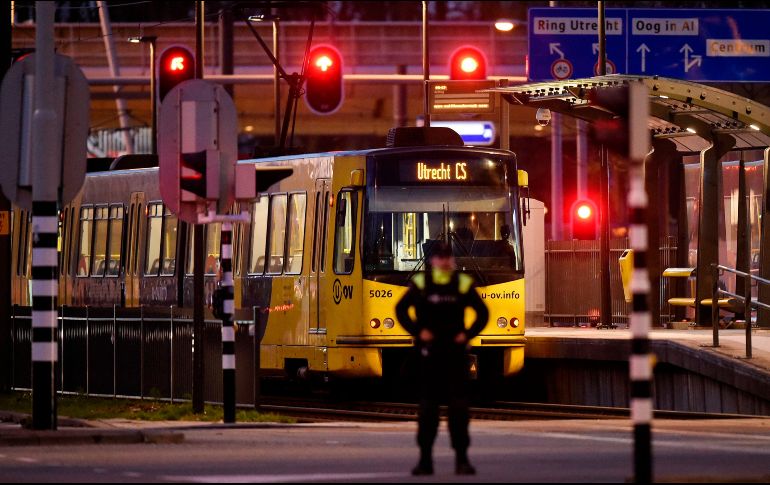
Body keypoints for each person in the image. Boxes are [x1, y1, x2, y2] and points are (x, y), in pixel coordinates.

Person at [395, 240, 489, 476]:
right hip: (430, 354)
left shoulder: (463, 283)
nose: (445, 262)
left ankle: (462, 459)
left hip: (455, 355)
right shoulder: (421, 282)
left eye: (448, 258)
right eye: (440, 257)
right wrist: (419, 332)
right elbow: (400, 310)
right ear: (432, 261)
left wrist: (466, 334)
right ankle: (425, 460)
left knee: (459, 409)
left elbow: (483, 313)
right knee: (428, 410)